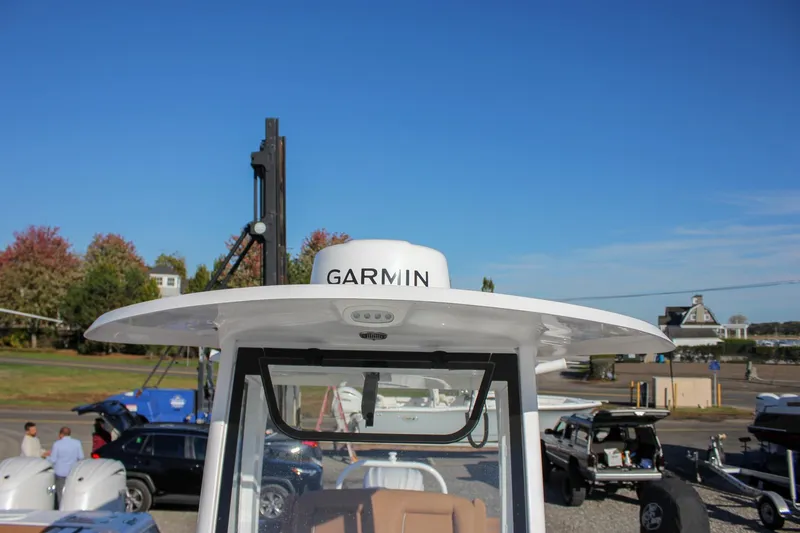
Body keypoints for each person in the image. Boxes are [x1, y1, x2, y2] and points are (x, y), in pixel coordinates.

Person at [48, 426, 84, 505]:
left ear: (61, 434)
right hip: (72, 472)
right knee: (71, 492)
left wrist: (46, 458)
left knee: (60, 493)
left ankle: (61, 508)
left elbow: (53, 459)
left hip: (60, 473)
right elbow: (81, 457)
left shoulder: (57, 444)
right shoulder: (77, 443)